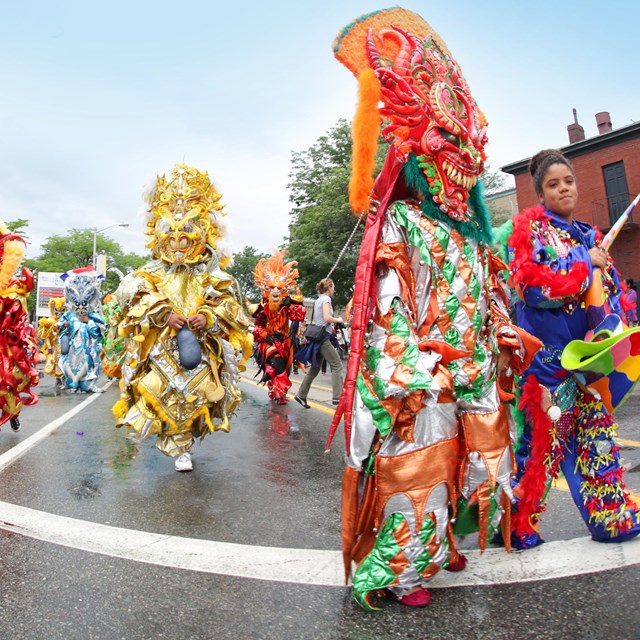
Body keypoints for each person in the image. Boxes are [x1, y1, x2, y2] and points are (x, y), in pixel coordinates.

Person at [327, 8, 540, 610]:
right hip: (424, 376)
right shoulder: (400, 222)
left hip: (470, 369)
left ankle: (439, 546)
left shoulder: (471, 236)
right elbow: (386, 308)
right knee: (418, 468)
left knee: (470, 469)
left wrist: (502, 331)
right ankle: (396, 570)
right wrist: (410, 367)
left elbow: (487, 295)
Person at [508, 149, 640, 548]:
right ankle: (514, 525)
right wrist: (587, 263)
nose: (563, 188)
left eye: (568, 181)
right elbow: (534, 289)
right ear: (540, 194)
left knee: (596, 440)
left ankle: (611, 518)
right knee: (541, 449)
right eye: (553, 184)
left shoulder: (587, 234)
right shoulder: (530, 232)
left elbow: (609, 296)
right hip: (549, 364)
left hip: (591, 359)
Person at [114, 164, 253, 472]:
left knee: (197, 393)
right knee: (157, 387)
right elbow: (130, 293)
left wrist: (208, 315)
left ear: (199, 238)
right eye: (172, 238)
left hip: (200, 345)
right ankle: (173, 441)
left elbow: (231, 304)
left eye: (185, 239)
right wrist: (161, 311)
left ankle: (185, 446)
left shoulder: (210, 273)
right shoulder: (150, 272)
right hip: (162, 345)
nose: (178, 246)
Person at [247, 250, 306, 404]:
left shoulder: (287, 305)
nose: (275, 290)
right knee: (276, 360)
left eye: (279, 288)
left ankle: (277, 389)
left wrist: (294, 303)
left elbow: (299, 317)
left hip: (286, 341)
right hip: (270, 341)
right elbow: (257, 326)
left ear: (284, 290)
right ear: (267, 289)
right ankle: (274, 378)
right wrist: (266, 335)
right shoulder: (263, 307)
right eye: (272, 287)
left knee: (284, 369)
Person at [0, 219, 39, 431]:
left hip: (7, 343)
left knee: (10, 379)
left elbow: (17, 315)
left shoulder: (13, 288)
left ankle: (12, 413)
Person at [294, 278, 344, 408]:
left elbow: (321, 319)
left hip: (317, 337)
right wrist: (338, 320)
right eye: (333, 287)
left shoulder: (318, 300)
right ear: (329, 288)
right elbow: (327, 318)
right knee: (337, 365)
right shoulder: (326, 300)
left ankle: (301, 395)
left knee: (315, 369)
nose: (334, 289)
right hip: (323, 338)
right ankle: (338, 398)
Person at [58, 267, 106, 393]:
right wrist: (66, 325)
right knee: (68, 362)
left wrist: (88, 322)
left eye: (83, 304)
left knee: (90, 360)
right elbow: (60, 325)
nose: (80, 308)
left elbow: (100, 330)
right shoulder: (70, 315)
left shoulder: (93, 316)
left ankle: (85, 383)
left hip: (87, 346)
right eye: (77, 304)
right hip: (73, 347)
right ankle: (72, 381)